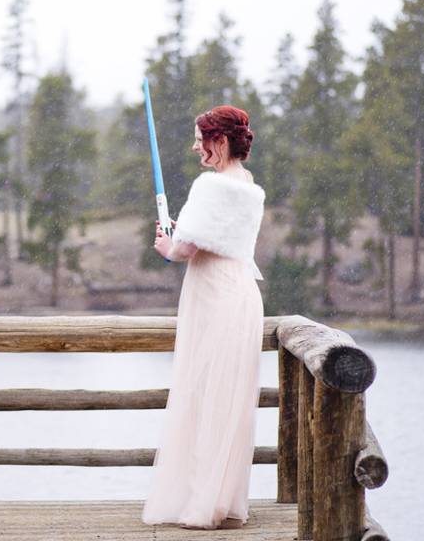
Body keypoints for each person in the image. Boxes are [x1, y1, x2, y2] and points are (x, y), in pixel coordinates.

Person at [142, 105, 265, 530]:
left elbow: (184, 250)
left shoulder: (211, 186)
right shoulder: (247, 184)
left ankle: (201, 501)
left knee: (206, 393)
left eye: (201, 139)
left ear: (221, 141)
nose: (195, 146)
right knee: (228, 397)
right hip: (241, 292)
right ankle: (221, 498)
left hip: (215, 295)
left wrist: (167, 246)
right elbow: (216, 239)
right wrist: (183, 236)